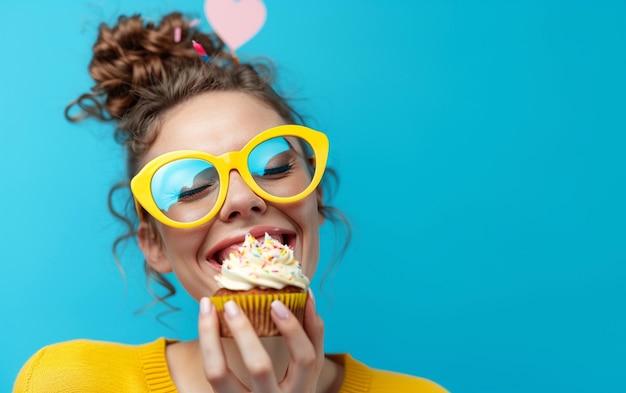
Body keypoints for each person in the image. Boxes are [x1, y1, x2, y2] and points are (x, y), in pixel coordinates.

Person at [14, 11, 448, 393]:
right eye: (190, 188)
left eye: (275, 167)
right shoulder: (69, 382)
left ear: (315, 199)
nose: (242, 198)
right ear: (153, 243)